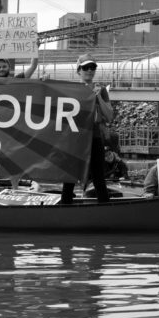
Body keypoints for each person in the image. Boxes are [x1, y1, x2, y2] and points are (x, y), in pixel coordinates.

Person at [60, 53, 111, 204]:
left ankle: (106, 213)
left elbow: (109, 116)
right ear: (78, 71)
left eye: (92, 67)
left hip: (94, 137)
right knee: (69, 178)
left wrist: (99, 98)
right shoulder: (70, 89)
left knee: (98, 178)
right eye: (85, 67)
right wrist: (44, 82)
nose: (89, 70)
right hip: (74, 138)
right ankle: (65, 210)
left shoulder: (101, 90)